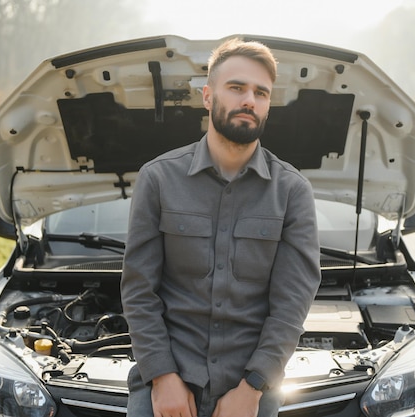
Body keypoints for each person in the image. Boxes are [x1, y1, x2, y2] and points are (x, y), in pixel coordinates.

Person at [120, 38, 321, 417]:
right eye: (237, 87)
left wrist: (253, 387)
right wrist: (162, 377)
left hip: (251, 388)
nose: (249, 100)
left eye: (261, 93)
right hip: (167, 379)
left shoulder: (292, 191)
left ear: (268, 105)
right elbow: (138, 290)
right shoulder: (158, 179)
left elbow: (291, 304)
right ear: (208, 96)